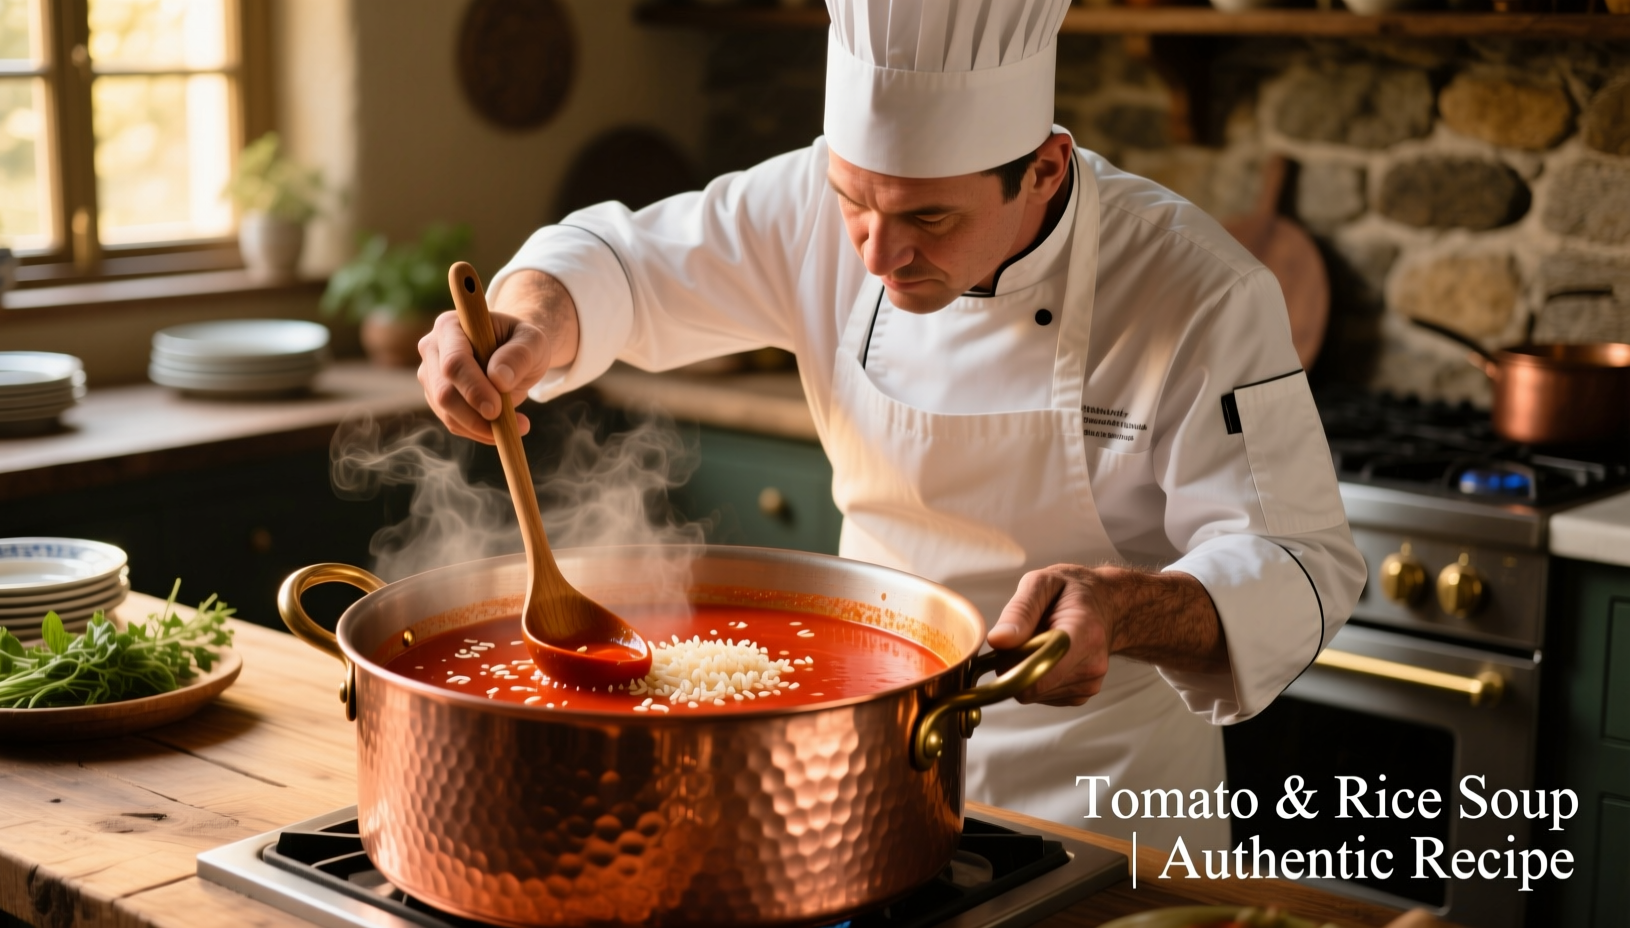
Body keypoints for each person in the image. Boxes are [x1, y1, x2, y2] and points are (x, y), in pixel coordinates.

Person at [418, 0, 1366, 852]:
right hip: (858, 773)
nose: (877, 251)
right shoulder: (812, 204)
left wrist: (1124, 609)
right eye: (854, 203)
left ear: (1043, 171)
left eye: (931, 219)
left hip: (1102, 802)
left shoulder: (1196, 288)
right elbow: (615, 260)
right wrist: (532, 321)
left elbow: (1300, 561)